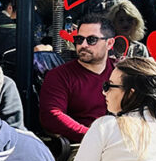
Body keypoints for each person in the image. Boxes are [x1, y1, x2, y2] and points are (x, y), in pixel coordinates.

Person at [39, 13, 116, 143]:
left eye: (91, 40)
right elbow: (51, 115)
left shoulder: (120, 72)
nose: (83, 45)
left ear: (109, 43)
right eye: (79, 39)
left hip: (121, 143)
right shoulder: (59, 75)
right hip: (81, 146)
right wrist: (92, 137)